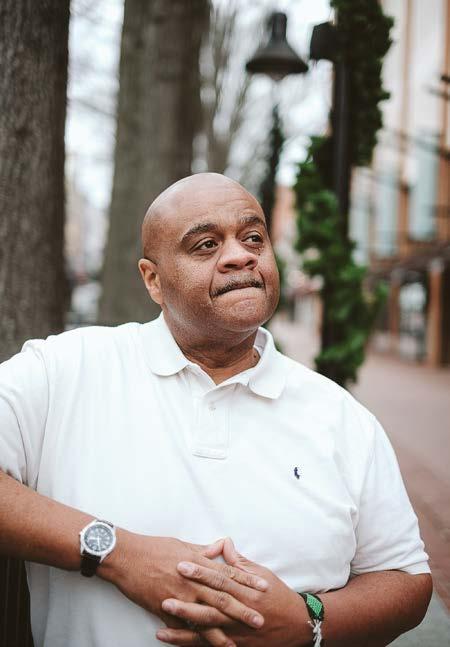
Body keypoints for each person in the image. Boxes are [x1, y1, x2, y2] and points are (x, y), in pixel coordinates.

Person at [0, 173, 431, 647]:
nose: (240, 256)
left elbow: (406, 579)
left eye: (253, 238)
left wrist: (309, 622)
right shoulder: (65, 370)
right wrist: (116, 554)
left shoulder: (342, 417)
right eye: (206, 245)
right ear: (153, 280)